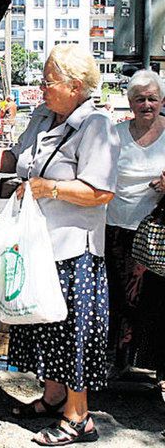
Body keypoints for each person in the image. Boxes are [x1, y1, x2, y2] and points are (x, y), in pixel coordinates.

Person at [0, 44, 119, 446]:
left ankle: (79, 417)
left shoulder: (97, 127)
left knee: (73, 330)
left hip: (74, 249)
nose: (41, 88)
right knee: (45, 324)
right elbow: (16, 159)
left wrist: (50, 188)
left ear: (75, 86)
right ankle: (54, 396)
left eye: (48, 81)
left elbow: (100, 192)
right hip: (37, 245)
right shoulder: (43, 116)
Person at [104, 70, 165, 384]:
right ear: (129, 103)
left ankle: (152, 365)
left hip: (157, 235)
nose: (146, 104)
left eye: (152, 98)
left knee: (153, 300)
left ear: (162, 101)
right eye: (139, 99)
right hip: (117, 228)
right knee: (119, 297)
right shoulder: (114, 134)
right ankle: (119, 363)